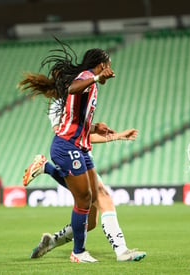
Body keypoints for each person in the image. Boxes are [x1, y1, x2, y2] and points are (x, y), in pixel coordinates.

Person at [19, 39, 116, 263]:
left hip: (78, 146)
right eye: (109, 65)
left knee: (89, 198)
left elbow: (77, 119)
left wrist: (96, 127)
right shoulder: (84, 78)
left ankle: (45, 168)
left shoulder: (90, 86)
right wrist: (95, 77)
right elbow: (72, 89)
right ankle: (79, 252)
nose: (111, 70)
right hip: (68, 146)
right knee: (86, 199)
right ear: (101, 65)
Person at [27, 99, 146, 262]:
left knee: (90, 222)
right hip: (74, 154)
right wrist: (114, 135)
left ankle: (51, 242)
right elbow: (67, 133)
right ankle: (121, 251)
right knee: (102, 197)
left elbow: (82, 132)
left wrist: (115, 135)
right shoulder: (64, 100)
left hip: (81, 154)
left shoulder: (78, 94)